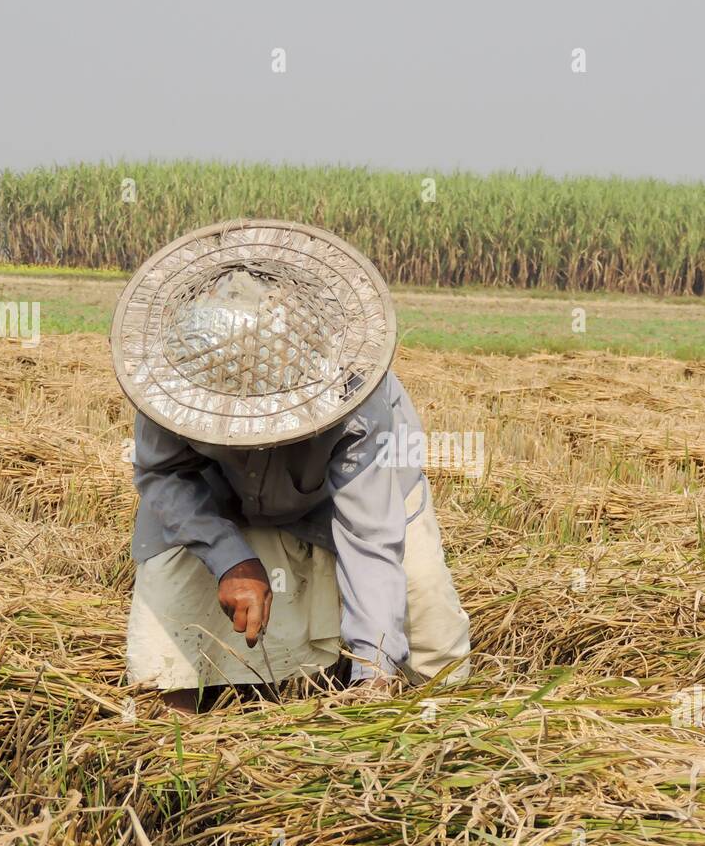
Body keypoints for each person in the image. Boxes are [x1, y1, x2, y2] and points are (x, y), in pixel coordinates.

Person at [112, 221, 471, 711]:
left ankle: (424, 716)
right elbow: (163, 476)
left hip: (341, 497)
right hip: (225, 497)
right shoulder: (173, 385)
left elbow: (368, 536)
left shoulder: (356, 403)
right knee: (167, 635)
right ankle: (175, 730)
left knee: (425, 619)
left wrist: (374, 673)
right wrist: (230, 558)